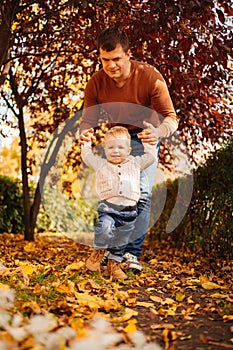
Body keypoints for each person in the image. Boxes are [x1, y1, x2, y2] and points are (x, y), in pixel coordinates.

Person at [79, 27, 179, 271]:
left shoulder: (150, 77)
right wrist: (85, 133)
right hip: (116, 139)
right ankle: (108, 249)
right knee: (112, 193)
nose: (111, 65)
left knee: (141, 194)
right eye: (105, 60)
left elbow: (171, 118)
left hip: (145, 137)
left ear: (128, 55)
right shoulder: (97, 82)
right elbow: (87, 119)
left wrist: (157, 133)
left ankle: (130, 255)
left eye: (116, 59)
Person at [81, 126, 157, 280]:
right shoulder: (101, 164)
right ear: (105, 149)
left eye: (120, 147)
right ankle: (99, 251)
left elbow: (151, 157)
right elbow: (87, 156)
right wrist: (86, 143)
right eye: (111, 147)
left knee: (121, 241)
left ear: (129, 150)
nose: (115, 151)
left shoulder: (136, 163)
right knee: (105, 228)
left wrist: (148, 143)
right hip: (108, 209)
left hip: (129, 212)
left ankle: (113, 266)